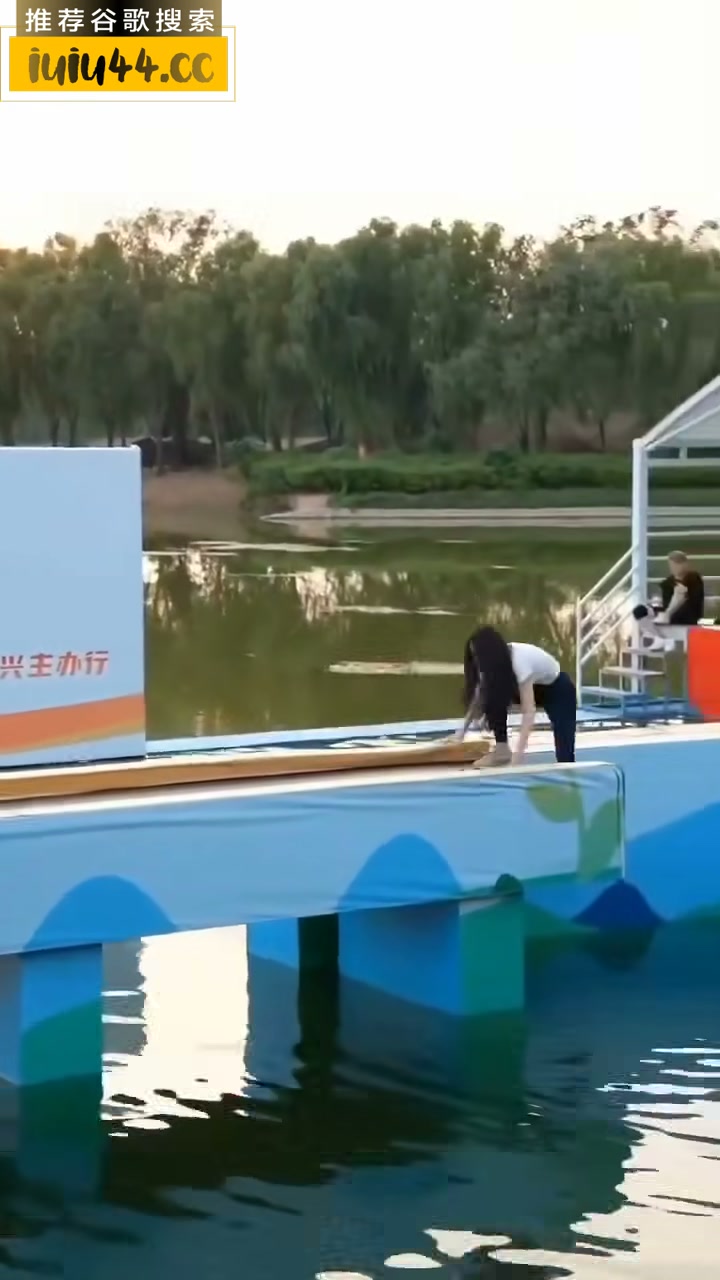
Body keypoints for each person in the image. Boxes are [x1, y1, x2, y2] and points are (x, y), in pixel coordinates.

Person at [456, 625, 577, 767]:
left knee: (564, 753)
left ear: (488, 653)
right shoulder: (495, 665)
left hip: (557, 690)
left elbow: (529, 712)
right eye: (473, 657)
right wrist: (460, 734)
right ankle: (502, 750)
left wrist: (517, 759)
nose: (476, 661)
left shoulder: (519, 662)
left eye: (478, 656)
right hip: (528, 686)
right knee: (492, 691)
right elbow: (479, 696)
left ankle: (566, 766)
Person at [632, 550, 704, 646]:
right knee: (639, 611)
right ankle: (658, 637)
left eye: (677, 564)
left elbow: (695, 601)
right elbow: (666, 604)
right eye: (672, 565)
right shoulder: (667, 583)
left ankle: (662, 630)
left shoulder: (694, 578)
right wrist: (656, 609)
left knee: (680, 593)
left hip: (689, 614)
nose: (674, 567)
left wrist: (670, 609)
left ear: (685, 564)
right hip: (669, 612)